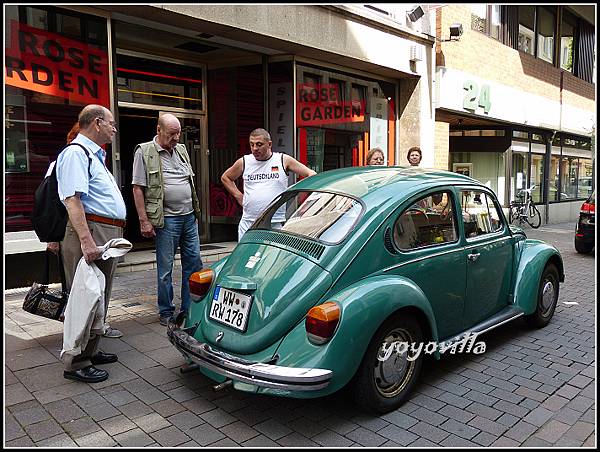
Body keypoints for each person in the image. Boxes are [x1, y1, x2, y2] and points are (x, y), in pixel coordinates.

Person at [56, 104, 126, 383]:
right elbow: (73, 200)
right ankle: (77, 363)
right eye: (111, 123)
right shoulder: (76, 153)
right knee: (85, 298)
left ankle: (91, 350)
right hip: (93, 231)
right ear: (97, 123)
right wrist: (86, 241)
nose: (114, 128)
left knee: (101, 296)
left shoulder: (95, 156)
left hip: (105, 232)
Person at [132, 113, 203, 326]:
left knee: (194, 264)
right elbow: (138, 188)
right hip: (167, 220)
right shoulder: (144, 151)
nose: (177, 138)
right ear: (159, 130)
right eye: (172, 134)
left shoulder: (181, 150)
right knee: (165, 268)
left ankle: (188, 309)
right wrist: (144, 220)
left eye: (178, 133)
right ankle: (165, 311)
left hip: (189, 217)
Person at [221, 128, 317, 241]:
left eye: (259, 144)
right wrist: (239, 196)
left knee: (272, 258)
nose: (255, 149)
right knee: (246, 257)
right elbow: (226, 177)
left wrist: (301, 200)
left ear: (269, 144)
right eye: (252, 145)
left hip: (274, 223)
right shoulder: (244, 161)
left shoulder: (282, 160)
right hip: (249, 222)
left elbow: (311, 175)